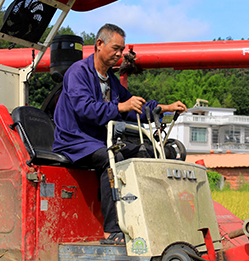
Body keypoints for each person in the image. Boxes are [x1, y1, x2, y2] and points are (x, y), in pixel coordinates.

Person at [53, 24, 186, 244]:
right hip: (75, 141)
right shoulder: (78, 72)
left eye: (122, 50)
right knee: (112, 159)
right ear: (99, 44)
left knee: (149, 152)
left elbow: (133, 107)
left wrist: (164, 107)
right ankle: (112, 230)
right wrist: (121, 107)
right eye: (115, 48)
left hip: (99, 140)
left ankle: (148, 220)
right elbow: (85, 110)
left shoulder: (111, 80)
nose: (119, 54)